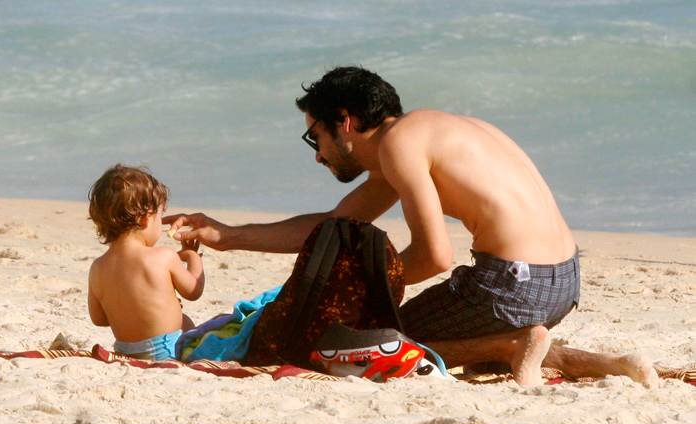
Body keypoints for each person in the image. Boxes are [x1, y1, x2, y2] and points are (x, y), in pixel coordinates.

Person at [164, 66, 657, 386]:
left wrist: (365, 296)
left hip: (512, 284)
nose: (317, 153)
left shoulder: (401, 146)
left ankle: (511, 343)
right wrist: (226, 235)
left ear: (345, 121)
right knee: (426, 342)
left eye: (315, 135)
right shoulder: (425, 134)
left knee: (362, 346)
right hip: (563, 281)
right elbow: (336, 227)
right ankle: (610, 364)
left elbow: (435, 256)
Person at [88, 164, 205, 360]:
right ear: (145, 220)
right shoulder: (164, 256)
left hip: (125, 351)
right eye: (160, 216)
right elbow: (193, 291)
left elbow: (99, 319)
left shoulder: (98, 267)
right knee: (186, 322)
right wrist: (192, 256)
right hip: (165, 351)